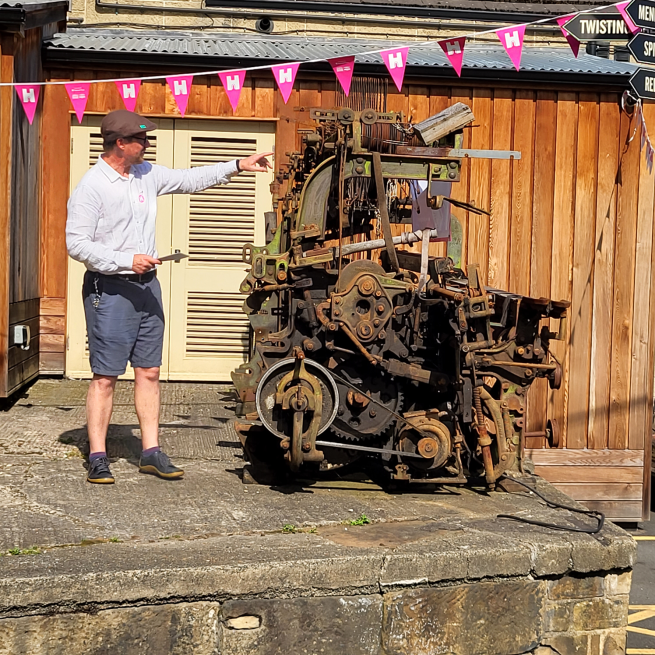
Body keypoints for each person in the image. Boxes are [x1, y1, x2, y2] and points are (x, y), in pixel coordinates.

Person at [66, 109, 272, 484]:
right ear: (119, 144)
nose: (147, 144)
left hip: (148, 287)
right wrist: (125, 260)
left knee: (149, 371)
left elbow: (190, 179)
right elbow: (76, 243)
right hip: (109, 289)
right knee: (105, 377)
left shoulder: (146, 174)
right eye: (140, 139)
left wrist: (239, 164)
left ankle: (150, 451)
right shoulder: (92, 186)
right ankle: (98, 456)